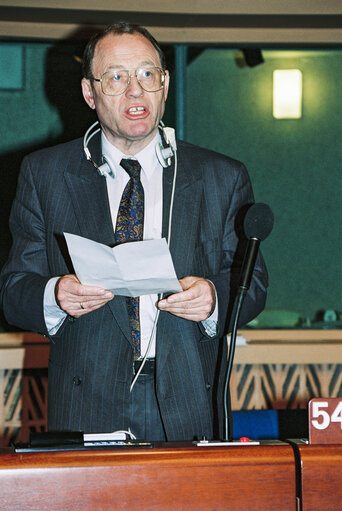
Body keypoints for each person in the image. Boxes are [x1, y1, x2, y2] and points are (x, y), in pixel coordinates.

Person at [0, 22, 268, 442]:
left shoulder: (221, 175)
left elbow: (251, 286)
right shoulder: (44, 174)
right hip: (85, 400)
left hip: (187, 397)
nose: (135, 91)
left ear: (164, 84)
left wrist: (214, 297)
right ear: (90, 93)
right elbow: (14, 290)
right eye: (116, 77)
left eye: (146, 74)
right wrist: (54, 295)